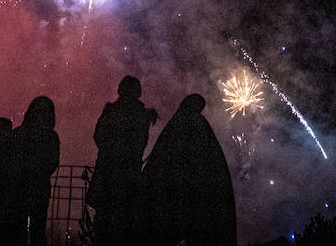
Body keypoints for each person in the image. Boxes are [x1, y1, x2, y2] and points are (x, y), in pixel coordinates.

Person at [142, 94, 235, 246]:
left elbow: (161, 157)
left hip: (176, 190)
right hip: (194, 191)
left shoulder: (176, 124)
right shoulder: (199, 125)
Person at [88, 75, 158, 245]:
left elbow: (98, 136)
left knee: (104, 221)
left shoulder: (112, 112)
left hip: (108, 172)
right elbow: (141, 144)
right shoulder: (142, 115)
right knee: (126, 221)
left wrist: (110, 151)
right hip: (130, 174)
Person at [12, 95, 61, 246]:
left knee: (18, 229)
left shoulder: (20, 134)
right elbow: (53, 162)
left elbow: (13, 158)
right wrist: (39, 172)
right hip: (40, 187)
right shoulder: (51, 136)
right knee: (38, 230)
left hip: (20, 186)